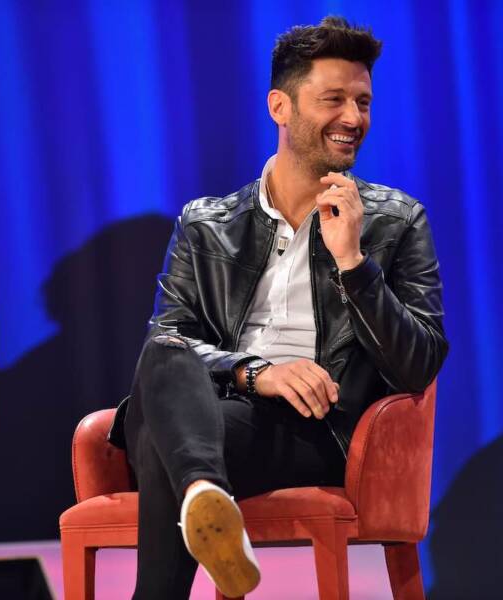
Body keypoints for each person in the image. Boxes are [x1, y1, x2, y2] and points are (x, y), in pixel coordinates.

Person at [108, 16, 448, 599]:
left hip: (315, 431)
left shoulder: (396, 221)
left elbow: (419, 365)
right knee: (164, 355)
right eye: (334, 99)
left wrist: (354, 264)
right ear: (280, 107)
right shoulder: (207, 223)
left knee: (160, 439)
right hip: (214, 409)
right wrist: (256, 373)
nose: (353, 118)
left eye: (363, 102)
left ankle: (202, 499)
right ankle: (206, 496)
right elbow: (168, 347)